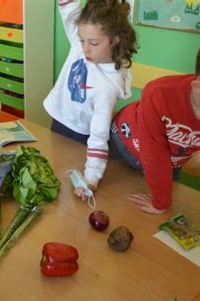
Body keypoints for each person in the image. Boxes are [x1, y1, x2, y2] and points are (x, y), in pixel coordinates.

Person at [109, 27, 200, 214]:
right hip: (123, 145)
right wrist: (161, 202)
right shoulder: (158, 94)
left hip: (168, 164)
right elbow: (154, 155)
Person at [44, 0, 137, 190]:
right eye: (81, 40)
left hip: (80, 137)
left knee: (66, 185)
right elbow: (69, 8)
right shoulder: (84, 44)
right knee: (53, 175)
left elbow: (99, 136)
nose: (85, 49)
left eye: (94, 43)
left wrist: (91, 178)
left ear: (115, 39)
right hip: (59, 121)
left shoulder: (107, 87)